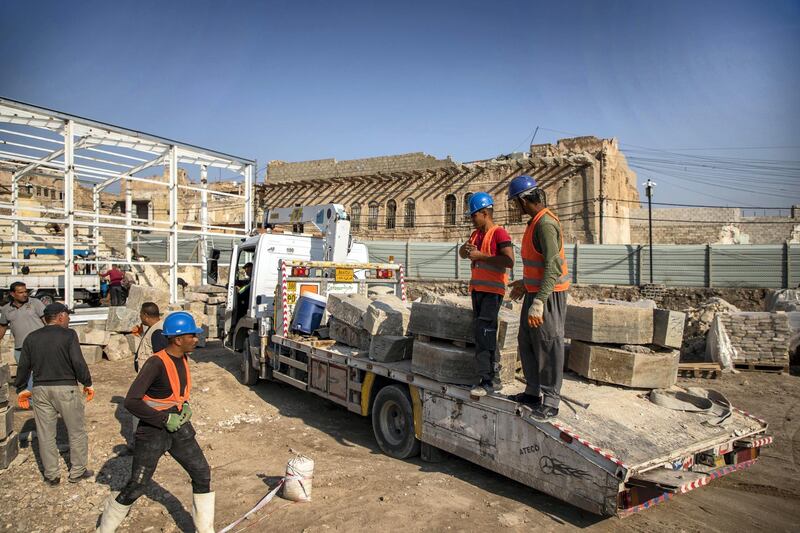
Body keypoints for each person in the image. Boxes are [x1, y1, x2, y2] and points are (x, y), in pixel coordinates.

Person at [96, 312, 214, 533]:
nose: (197, 339)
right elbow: (131, 401)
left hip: (179, 428)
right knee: (138, 484)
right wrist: (163, 418)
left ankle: (205, 529)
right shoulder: (155, 363)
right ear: (178, 339)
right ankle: (105, 529)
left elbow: (175, 392)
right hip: (153, 432)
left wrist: (184, 405)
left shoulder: (183, 359)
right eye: (192, 336)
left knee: (202, 473)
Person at [507, 175, 570, 420]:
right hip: (535, 292)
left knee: (548, 343)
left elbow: (553, 267)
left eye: (515, 203)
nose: (515, 207)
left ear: (524, 200)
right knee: (527, 340)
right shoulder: (534, 223)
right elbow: (539, 264)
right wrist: (525, 284)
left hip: (549, 295)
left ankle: (551, 400)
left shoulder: (545, 224)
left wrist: (540, 301)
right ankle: (533, 392)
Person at [15, 303, 94, 485]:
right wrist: (87, 382)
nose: (69, 319)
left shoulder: (32, 337)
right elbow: (78, 361)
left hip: (40, 390)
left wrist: (21, 388)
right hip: (66, 388)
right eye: (67, 316)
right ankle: (77, 472)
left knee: (45, 434)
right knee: (76, 432)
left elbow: (24, 366)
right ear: (59, 317)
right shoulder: (68, 335)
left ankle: (51, 475)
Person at [458, 192, 514, 396]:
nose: (471, 220)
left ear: (484, 213)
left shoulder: (500, 234)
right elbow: (464, 254)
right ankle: (493, 375)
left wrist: (482, 256)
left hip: (492, 292)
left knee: (485, 333)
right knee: (484, 332)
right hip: (478, 290)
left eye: (473, 216)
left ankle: (487, 381)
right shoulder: (475, 234)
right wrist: (465, 251)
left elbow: (509, 260)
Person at [0, 282, 46, 395]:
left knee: (40, 371)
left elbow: (47, 321)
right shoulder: (6, 309)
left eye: (26, 291)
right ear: (12, 294)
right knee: (25, 374)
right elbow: (2, 327)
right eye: (21, 292)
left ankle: (42, 397)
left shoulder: (35, 303)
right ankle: (30, 399)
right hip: (20, 347)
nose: (24, 294)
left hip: (40, 344)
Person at [134, 302, 167, 372]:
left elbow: (162, 359)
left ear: (145, 315)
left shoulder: (158, 332)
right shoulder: (153, 327)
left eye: (141, 314)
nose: (140, 316)